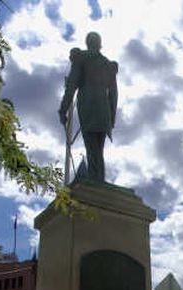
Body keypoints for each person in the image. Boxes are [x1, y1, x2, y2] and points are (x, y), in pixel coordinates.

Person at [58, 32, 118, 182]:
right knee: (98, 150)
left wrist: (63, 109)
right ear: (99, 44)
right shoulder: (107, 64)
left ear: (87, 43)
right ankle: (99, 183)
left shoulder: (81, 59)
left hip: (88, 104)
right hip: (104, 110)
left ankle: (95, 185)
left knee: (91, 147)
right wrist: (112, 117)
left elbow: (71, 86)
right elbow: (114, 94)